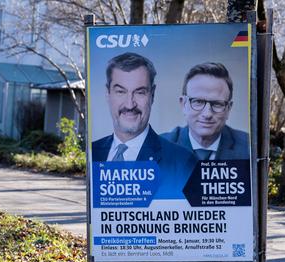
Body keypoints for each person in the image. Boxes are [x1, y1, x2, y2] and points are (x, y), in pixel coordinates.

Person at [91, 52, 195, 198]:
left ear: (152, 95)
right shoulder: (93, 152)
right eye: (120, 91)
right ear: (108, 93)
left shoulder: (182, 162)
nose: (129, 104)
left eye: (140, 92)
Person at [161, 62, 249, 161]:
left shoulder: (248, 148)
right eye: (198, 101)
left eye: (217, 104)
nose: (207, 114)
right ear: (183, 104)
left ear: (229, 108)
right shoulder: (159, 148)